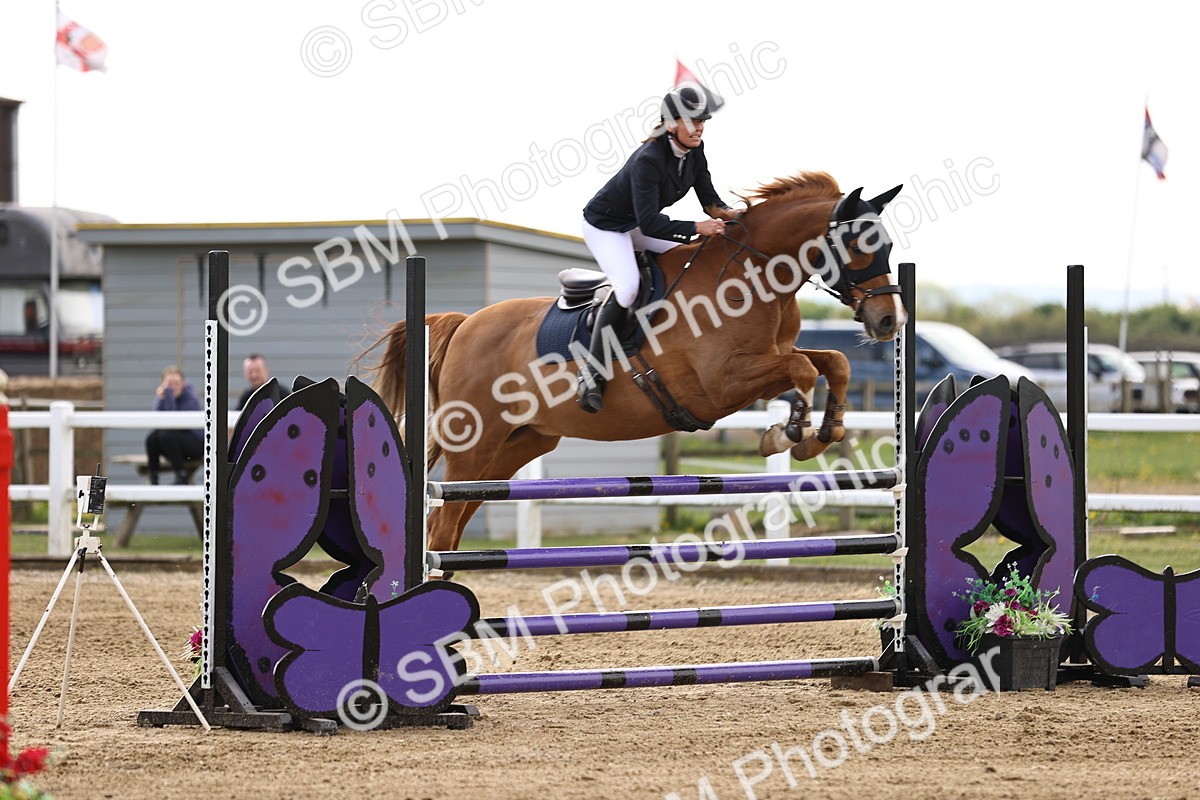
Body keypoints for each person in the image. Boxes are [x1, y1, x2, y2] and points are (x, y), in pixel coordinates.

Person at [578, 85, 738, 413]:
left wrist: (732, 215)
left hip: (637, 223)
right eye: (691, 121)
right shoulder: (648, 160)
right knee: (627, 288)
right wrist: (697, 228)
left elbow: (709, 199)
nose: (698, 127)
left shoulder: (696, 150)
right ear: (670, 124)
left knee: (694, 257)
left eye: (702, 121)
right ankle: (592, 373)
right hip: (606, 226)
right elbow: (650, 224)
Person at [146, 365, 203, 485]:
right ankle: (153, 477)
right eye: (169, 384)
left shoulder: (191, 400)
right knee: (152, 438)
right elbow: (156, 422)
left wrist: (168, 397)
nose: (172, 387)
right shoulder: (161, 398)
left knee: (165, 435)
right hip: (171, 443)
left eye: (176, 383)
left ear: (183, 384)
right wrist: (161, 399)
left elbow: (175, 422)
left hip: (194, 444)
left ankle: (181, 474)